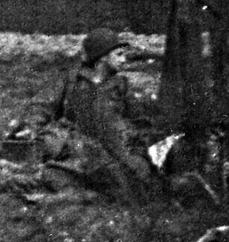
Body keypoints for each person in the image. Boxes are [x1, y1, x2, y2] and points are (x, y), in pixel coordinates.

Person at [47, 28, 158, 202]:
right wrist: (30, 127)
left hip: (116, 151)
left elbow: (139, 121)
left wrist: (140, 153)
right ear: (103, 57)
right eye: (118, 54)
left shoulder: (121, 85)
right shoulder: (71, 81)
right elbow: (43, 106)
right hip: (78, 151)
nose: (123, 59)